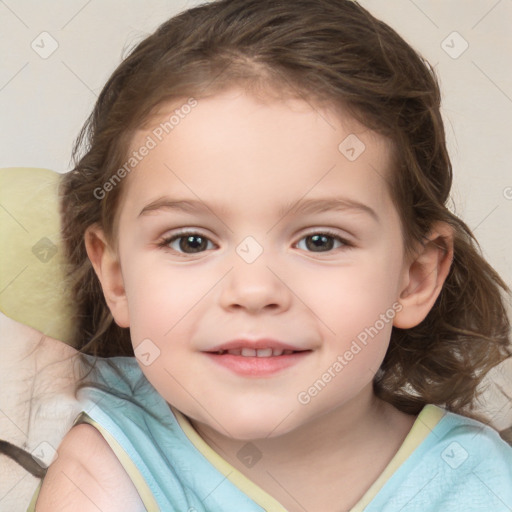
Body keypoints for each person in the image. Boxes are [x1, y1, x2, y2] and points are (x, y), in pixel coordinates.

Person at [27, 0, 512, 510]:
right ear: (118, 277)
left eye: (320, 240)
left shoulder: (483, 482)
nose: (253, 291)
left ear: (413, 279)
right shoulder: (109, 459)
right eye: (191, 241)